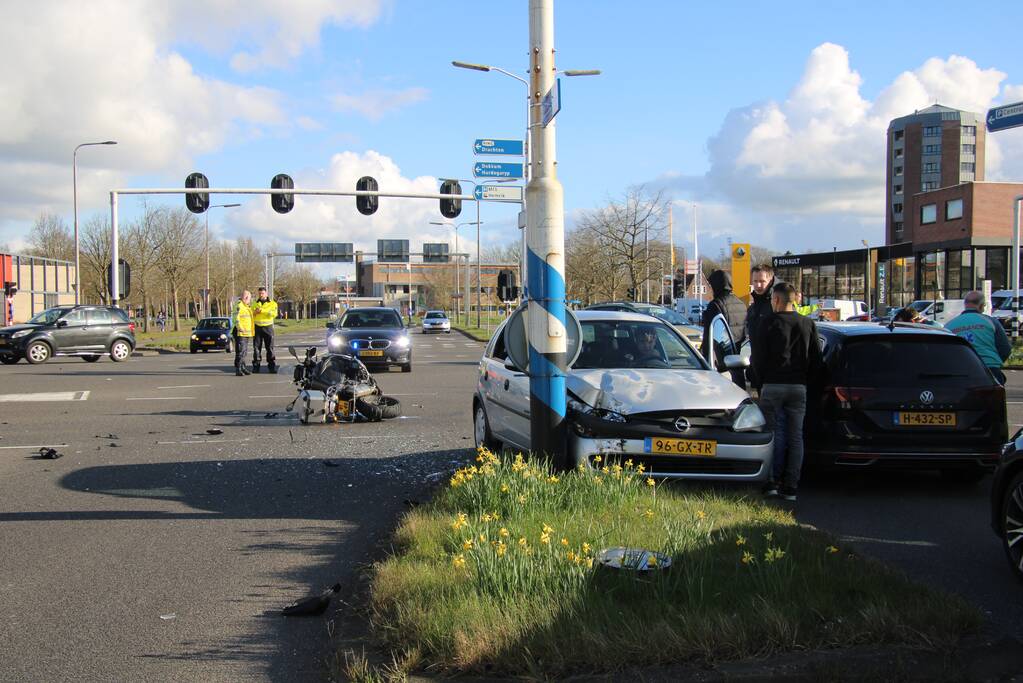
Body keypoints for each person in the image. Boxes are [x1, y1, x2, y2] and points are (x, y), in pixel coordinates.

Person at [752, 282, 823, 502]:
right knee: (796, 436)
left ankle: (771, 482)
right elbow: (816, 359)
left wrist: (760, 383)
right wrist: (806, 383)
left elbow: (758, 358)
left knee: (774, 435)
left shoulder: (767, 323)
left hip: (772, 385)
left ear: (776, 300)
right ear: (795, 300)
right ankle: (791, 486)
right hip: (798, 386)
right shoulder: (808, 324)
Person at [945, 290, 1011, 384]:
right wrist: (995, 362)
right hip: (989, 369)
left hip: (960, 371)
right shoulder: (991, 322)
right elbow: (1005, 348)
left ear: (965, 304)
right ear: (981, 306)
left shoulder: (949, 325)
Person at [701, 270, 747, 386]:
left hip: (721, 364)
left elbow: (710, 336)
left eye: (710, 286)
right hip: (738, 362)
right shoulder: (741, 304)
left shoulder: (716, 305)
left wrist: (703, 359)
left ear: (716, 286)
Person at [746, 264, 781, 388]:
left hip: (775, 373)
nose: (758, 285)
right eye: (755, 281)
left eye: (762, 281)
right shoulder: (753, 308)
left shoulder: (776, 304)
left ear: (770, 281)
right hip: (758, 370)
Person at [250, 286, 279, 373]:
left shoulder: (272, 303)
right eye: (259, 294)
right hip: (257, 327)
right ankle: (256, 366)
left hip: (268, 327)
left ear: (266, 294)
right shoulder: (254, 303)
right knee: (256, 348)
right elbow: (251, 313)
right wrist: (255, 312)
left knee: (269, 347)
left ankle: (271, 366)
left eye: (262, 293)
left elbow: (274, 314)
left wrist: (262, 311)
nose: (261, 295)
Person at [231, 290, 255, 376]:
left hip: (246, 333)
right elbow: (235, 318)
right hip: (240, 332)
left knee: (244, 352)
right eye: (249, 298)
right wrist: (240, 328)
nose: (250, 300)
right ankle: (238, 368)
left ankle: (243, 367)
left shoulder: (247, 306)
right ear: (246, 297)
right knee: (240, 352)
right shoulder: (239, 306)